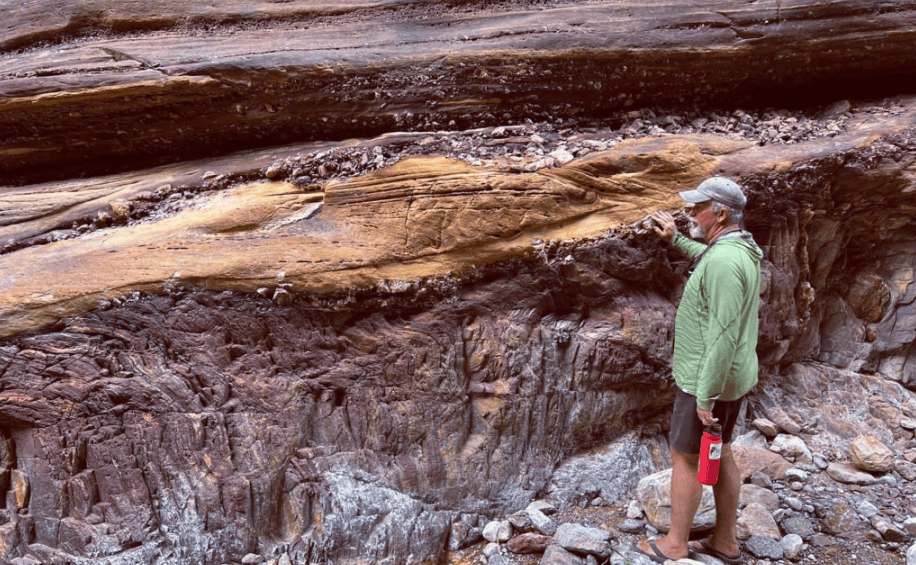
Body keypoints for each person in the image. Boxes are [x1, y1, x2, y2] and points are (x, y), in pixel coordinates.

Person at [636, 177, 762, 565]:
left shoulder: (725, 261)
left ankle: (675, 544)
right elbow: (710, 262)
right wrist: (675, 238)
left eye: (698, 207)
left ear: (720, 213)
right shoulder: (739, 246)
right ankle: (724, 542)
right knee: (719, 452)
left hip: (709, 378)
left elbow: (722, 335)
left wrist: (705, 395)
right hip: (733, 375)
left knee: (685, 457)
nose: (690, 213)